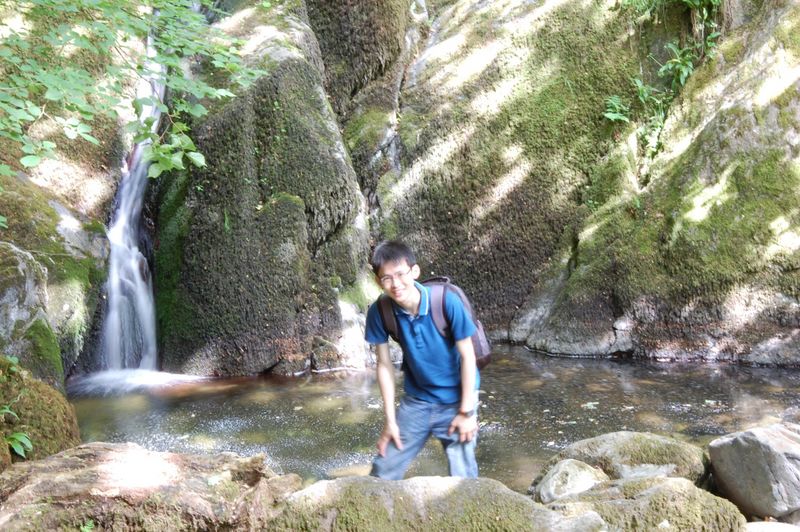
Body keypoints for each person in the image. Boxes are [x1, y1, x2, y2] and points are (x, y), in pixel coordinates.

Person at [364, 240, 480, 480]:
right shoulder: (381, 311)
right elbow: (384, 366)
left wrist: (466, 412)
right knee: (382, 472)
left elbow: (468, 356)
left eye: (400, 274)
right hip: (416, 402)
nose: (395, 284)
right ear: (378, 281)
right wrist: (390, 421)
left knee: (463, 481)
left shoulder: (445, 301)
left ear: (414, 271)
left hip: (457, 400)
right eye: (387, 278)